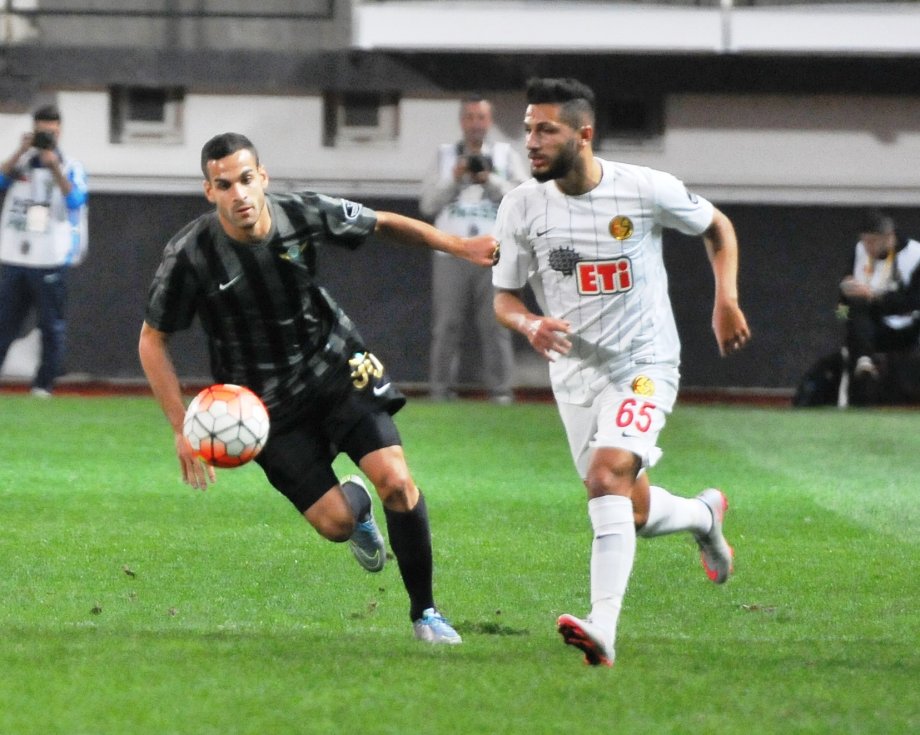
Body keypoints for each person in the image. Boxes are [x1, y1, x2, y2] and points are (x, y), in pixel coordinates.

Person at [139, 132, 499, 644]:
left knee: (397, 482)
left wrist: (459, 246)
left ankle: (426, 613)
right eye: (225, 185)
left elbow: (382, 222)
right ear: (209, 191)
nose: (239, 194)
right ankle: (356, 507)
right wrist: (181, 428)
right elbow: (152, 341)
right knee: (336, 525)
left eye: (246, 179)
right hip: (264, 410)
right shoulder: (189, 255)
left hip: (334, 368)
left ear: (262, 177)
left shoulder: (301, 213)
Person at [492, 78, 751, 667]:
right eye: (528, 129)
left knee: (606, 478)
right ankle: (703, 514)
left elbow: (717, 227)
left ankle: (602, 626)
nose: (531, 141)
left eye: (545, 130)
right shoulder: (521, 206)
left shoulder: (642, 188)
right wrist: (529, 324)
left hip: (643, 363)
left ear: (583, 135)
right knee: (631, 509)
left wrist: (726, 299)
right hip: (574, 376)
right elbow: (504, 297)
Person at [420, 95, 528, 404]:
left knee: (496, 325)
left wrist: (489, 179)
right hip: (451, 252)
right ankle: (440, 392)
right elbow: (427, 204)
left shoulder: (505, 156)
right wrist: (454, 179)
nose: (475, 123)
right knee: (446, 326)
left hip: (493, 254)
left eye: (481, 117)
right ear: (461, 121)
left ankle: (501, 394)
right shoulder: (444, 156)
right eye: (469, 117)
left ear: (489, 121)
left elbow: (523, 199)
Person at [0, 104, 89, 396]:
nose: (46, 138)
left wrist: (54, 167)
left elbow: (76, 201)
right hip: (14, 256)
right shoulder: (21, 164)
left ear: (59, 132)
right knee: (4, 323)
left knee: (51, 326)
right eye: (41, 132)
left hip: (50, 258)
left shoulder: (70, 166)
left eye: (51, 133)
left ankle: (43, 385)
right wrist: (20, 151)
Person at [838, 209, 920, 399]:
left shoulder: (915, 255)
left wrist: (875, 297)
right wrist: (842, 311)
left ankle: (864, 358)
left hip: (906, 325)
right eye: (864, 241)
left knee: (860, 309)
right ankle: (863, 363)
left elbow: (913, 301)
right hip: (867, 325)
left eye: (872, 242)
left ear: (889, 238)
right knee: (854, 308)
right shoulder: (859, 251)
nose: (868, 247)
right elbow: (841, 305)